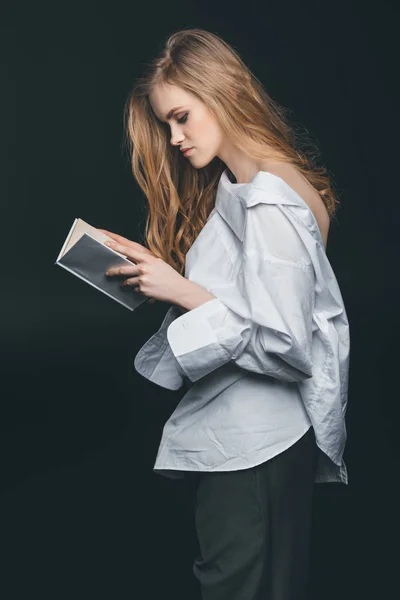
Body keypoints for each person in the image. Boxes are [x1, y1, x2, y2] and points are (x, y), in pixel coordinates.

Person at [99, 28, 350, 600]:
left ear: (221, 93)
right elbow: (258, 304)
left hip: (255, 444)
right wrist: (162, 277)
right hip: (257, 440)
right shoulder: (257, 185)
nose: (175, 137)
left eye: (182, 117)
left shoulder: (268, 197)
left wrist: (181, 291)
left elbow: (286, 346)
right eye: (167, 124)